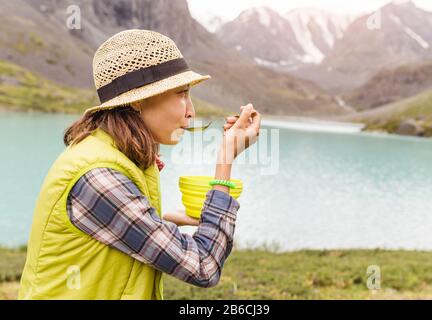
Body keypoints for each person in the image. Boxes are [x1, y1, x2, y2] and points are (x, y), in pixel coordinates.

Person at [18, 29, 260, 299]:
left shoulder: (111, 154)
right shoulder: (99, 176)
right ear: (137, 101)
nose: (191, 111)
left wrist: (161, 221)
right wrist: (226, 159)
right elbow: (204, 266)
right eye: (182, 94)